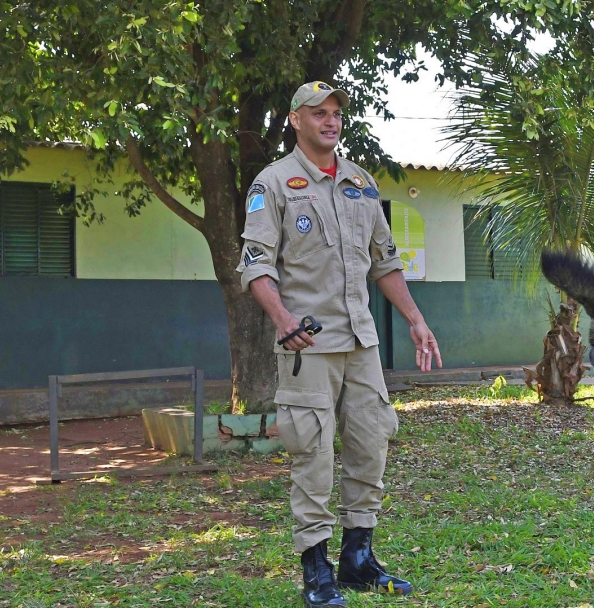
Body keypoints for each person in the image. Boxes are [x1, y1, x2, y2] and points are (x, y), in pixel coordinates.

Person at [237, 81, 442, 607]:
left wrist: (415, 320)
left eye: (335, 113)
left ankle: (357, 558)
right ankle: (316, 570)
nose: (330, 121)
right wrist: (282, 320)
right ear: (295, 120)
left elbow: (385, 262)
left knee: (371, 441)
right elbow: (256, 263)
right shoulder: (273, 183)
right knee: (312, 452)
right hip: (308, 344)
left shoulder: (360, 183)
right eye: (318, 113)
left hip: (361, 340)